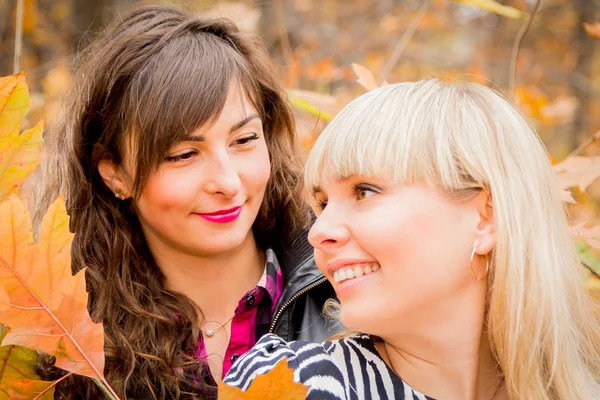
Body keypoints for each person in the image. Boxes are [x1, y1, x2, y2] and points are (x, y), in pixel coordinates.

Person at [224, 79, 600, 399]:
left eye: (365, 191)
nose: (319, 232)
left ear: (487, 217)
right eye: (322, 204)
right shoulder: (288, 384)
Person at [34, 4, 339, 399]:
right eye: (183, 155)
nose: (228, 183)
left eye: (244, 140)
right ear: (115, 174)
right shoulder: (63, 339)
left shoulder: (342, 284)